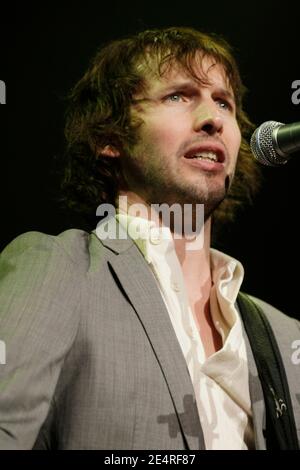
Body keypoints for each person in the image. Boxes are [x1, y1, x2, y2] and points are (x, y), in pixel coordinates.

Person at [0, 27, 299, 451]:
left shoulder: (283, 335)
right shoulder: (58, 268)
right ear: (110, 139)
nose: (213, 118)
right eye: (178, 95)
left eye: (223, 102)